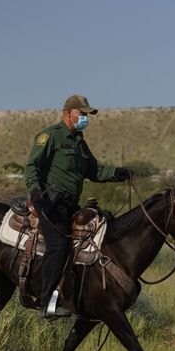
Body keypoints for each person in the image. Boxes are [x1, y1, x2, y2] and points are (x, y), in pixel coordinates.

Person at [25, 94, 133, 318]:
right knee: (59, 247)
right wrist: (36, 190)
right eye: (82, 114)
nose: (85, 118)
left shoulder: (79, 142)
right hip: (51, 204)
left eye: (86, 114)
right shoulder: (49, 136)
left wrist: (117, 174)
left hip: (71, 204)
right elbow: (32, 166)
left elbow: (94, 171)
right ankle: (47, 303)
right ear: (68, 113)